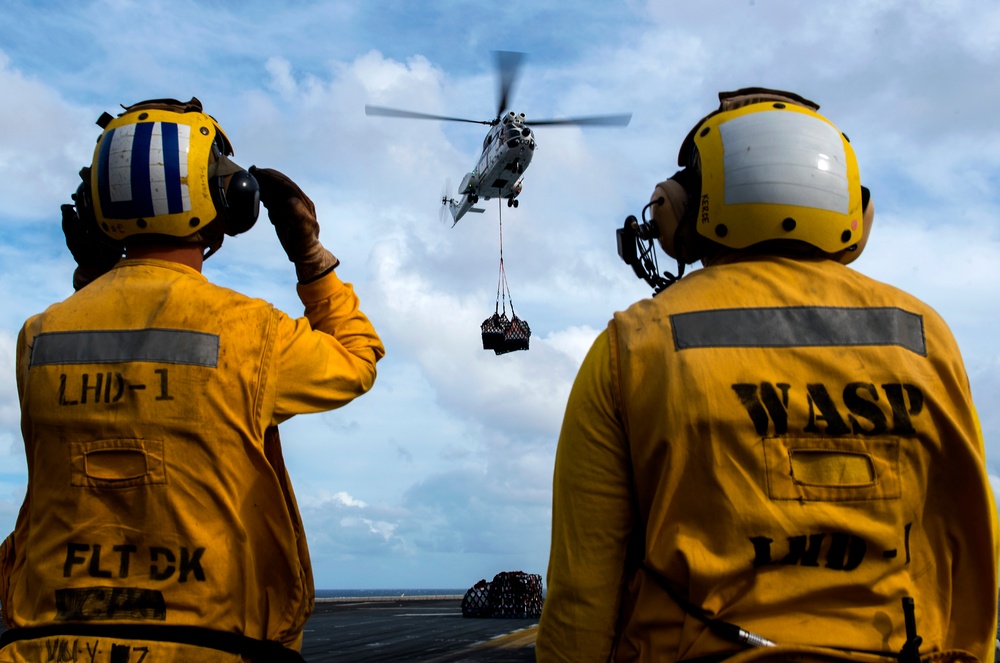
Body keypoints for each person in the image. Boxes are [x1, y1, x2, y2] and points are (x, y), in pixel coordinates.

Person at [536, 88, 999, 663]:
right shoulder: (926, 338)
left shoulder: (632, 346)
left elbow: (582, 594)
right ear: (857, 214)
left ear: (682, 209)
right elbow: (968, 549)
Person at [0, 97, 385, 662]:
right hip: (209, 647)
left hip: (43, 648)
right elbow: (358, 358)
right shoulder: (253, 332)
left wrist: (92, 280)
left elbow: (113, 392)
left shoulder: (39, 338)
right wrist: (310, 256)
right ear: (230, 200)